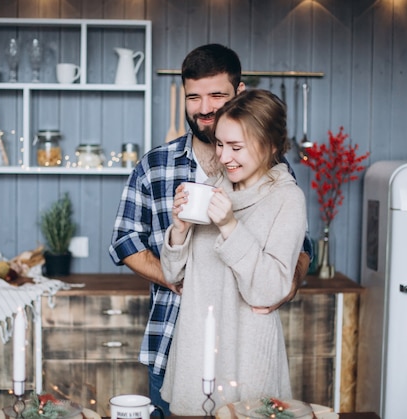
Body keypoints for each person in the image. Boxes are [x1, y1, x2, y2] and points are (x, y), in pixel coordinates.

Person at [109, 44, 312, 416]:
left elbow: (297, 248)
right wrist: (178, 259)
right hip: (174, 342)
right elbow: (125, 241)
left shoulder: (277, 180)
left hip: (244, 352)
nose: (204, 108)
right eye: (194, 97)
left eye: (216, 95)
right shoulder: (161, 165)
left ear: (239, 93)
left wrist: (284, 287)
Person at [160, 89, 307, 415]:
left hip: (248, 357)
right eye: (220, 144)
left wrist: (229, 226)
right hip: (195, 353)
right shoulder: (212, 188)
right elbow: (172, 276)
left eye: (236, 147)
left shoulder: (286, 200)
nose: (224, 157)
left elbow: (268, 291)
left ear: (270, 145)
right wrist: (179, 230)